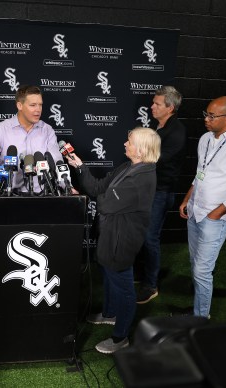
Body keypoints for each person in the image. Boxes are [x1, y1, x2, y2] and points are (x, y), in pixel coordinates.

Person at [69, 128, 159, 354]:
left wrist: (99, 197)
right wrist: (80, 166)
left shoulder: (142, 178)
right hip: (109, 236)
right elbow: (98, 188)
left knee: (125, 288)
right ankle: (109, 314)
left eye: (129, 142)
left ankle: (120, 338)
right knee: (108, 273)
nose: (125, 144)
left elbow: (105, 204)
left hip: (122, 241)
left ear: (141, 149)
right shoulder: (128, 167)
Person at [179, 96, 226, 318]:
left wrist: (217, 213)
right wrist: (187, 199)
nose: (206, 119)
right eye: (206, 114)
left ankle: (201, 318)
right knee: (196, 265)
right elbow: (200, 173)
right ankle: (198, 309)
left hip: (216, 218)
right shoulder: (204, 139)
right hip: (195, 210)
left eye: (212, 116)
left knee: (202, 271)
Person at [136, 86, 186, 304]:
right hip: (149, 190)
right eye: (153, 102)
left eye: (157, 104)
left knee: (150, 237)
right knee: (142, 235)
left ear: (170, 107)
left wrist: (138, 154)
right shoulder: (160, 126)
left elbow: (157, 158)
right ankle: (144, 275)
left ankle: (151, 285)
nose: (152, 106)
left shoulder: (177, 132)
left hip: (161, 192)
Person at [0, 85, 64, 204]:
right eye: (33, 105)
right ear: (19, 105)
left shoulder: (47, 130)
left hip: (42, 198)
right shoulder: (0, 130)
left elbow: (57, 162)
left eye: (40, 104)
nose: (38, 109)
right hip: (9, 198)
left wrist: (67, 186)